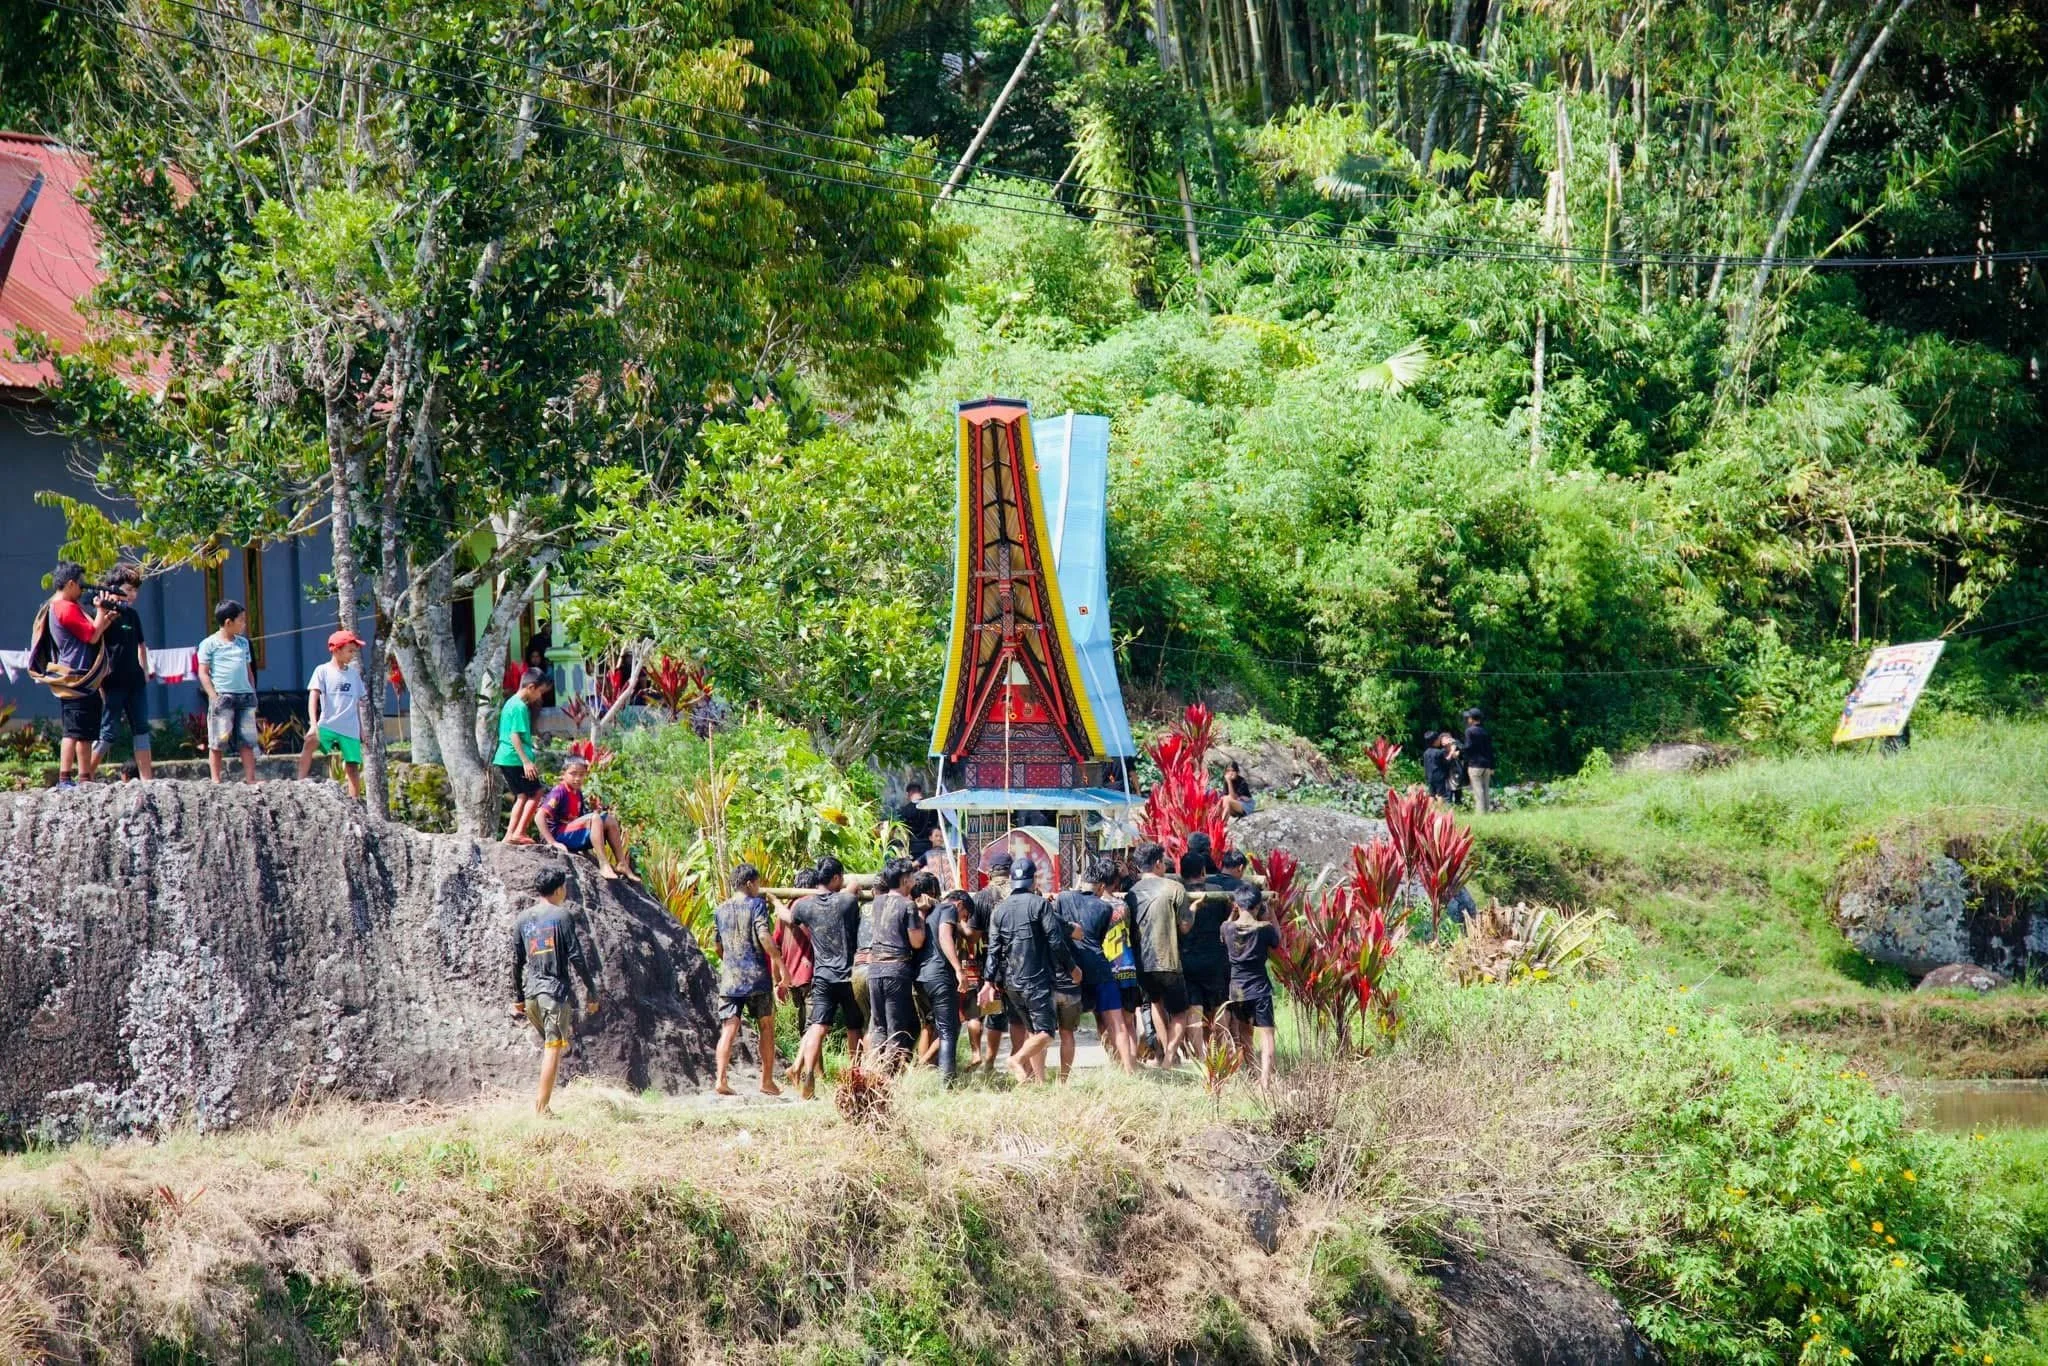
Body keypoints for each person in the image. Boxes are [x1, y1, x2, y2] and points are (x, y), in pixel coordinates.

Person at [507, 863, 601, 1117]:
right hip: (553, 992)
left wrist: (517, 998)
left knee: (557, 1044)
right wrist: (592, 991)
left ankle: (543, 1103)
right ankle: (542, 1109)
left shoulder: (522, 919)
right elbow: (576, 956)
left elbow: (516, 961)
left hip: (531, 995)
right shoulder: (562, 916)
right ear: (559, 889)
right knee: (554, 1047)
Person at [982, 855, 1078, 1083]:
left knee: (1034, 1032)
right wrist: (1072, 968)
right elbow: (1055, 941)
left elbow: (993, 949)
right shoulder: (1040, 905)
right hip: (1036, 980)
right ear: (1034, 879)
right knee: (1046, 1033)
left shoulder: (1000, 910)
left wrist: (988, 982)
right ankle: (1016, 1059)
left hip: (1011, 983)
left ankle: (1040, 1082)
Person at [784, 856, 867, 1099]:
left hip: (822, 977)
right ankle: (854, 1075)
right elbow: (853, 887)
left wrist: (775, 903)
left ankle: (808, 1072)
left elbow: (788, 918)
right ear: (835, 878)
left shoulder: (804, 906)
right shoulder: (846, 902)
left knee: (817, 1027)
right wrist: (851, 884)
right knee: (854, 1027)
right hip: (847, 977)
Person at [712, 863, 785, 1096]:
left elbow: (718, 946)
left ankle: (721, 1080)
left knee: (729, 1028)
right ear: (749, 883)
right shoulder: (757, 905)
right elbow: (764, 935)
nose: (759, 888)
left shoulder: (720, 909)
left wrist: (731, 962)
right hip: (756, 978)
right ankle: (766, 1081)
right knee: (766, 1025)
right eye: (758, 883)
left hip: (730, 979)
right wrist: (780, 964)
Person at [1058, 856, 1135, 1074]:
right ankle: (1128, 1069)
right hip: (1100, 968)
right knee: (1116, 1021)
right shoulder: (1104, 908)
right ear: (1101, 886)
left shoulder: (1063, 898)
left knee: (1067, 1028)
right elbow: (1099, 938)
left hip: (1073, 969)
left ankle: (1064, 1075)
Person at [1129, 842, 1193, 1067]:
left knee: (1155, 1004)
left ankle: (1166, 1054)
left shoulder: (1131, 893)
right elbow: (1185, 926)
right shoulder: (1174, 888)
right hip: (1169, 960)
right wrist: (1193, 911)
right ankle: (1169, 1058)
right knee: (1179, 1012)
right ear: (1158, 863)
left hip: (1142, 963)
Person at [864, 857, 927, 1069]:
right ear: (904, 880)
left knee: (878, 1025)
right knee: (896, 1028)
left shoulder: (877, 902)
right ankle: (890, 1079)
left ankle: (873, 1074)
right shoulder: (908, 905)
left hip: (874, 970)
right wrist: (923, 916)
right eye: (911, 876)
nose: (914, 880)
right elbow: (916, 942)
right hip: (896, 970)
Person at [93, 564, 152, 782]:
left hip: (135, 681)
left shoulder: (133, 615)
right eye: (128, 589)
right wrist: (99, 682)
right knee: (108, 733)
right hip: (112, 681)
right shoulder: (102, 613)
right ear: (113, 588)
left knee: (142, 729)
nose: (132, 594)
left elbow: (141, 645)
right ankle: (85, 776)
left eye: (135, 590)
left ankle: (147, 780)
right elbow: (93, 641)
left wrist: (144, 671)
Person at [536, 755, 635, 880]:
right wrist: (552, 842)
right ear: (563, 774)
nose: (577, 778)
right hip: (558, 834)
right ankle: (604, 865)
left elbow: (580, 818)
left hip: (570, 833)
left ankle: (622, 863)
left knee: (609, 819)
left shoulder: (577, 793)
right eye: (573, 774)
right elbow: (539, 817)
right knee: (595, 818)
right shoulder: (559, 791)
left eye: (581, 774)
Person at [1220, 884, 1280, 1089]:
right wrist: (1271, 911)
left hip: (1237, 989)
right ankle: (1265, 1081)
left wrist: (1232, 914)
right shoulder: (1264, 930)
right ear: (1257, 906)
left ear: (1237, 905)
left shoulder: (1226, 928)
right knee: (1267, 1034)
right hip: (1260, 988)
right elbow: (1277, 940)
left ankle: (1254, 1071)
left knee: (1245, 1032)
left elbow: (1224, 929)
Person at [296, 629, 368, 798]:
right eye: (349, 651)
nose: (352, 655)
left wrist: (362, 729)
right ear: (336, 650)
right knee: (309, 744)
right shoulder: (322, 671)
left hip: (350, 727)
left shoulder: (354, 674)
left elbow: (358, 702)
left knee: (352, 765)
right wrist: (313, 725)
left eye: (354, 651)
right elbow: (313, 697)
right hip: (328, 723)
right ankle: (299, 783)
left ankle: (355, 799)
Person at [198, 599, 260, 785]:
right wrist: (213, 696)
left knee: (247, 740)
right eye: (241, 620)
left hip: (245, 696)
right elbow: (203, 672)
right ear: (228, 622)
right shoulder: (209, 644)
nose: (244, 624)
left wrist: (253, 692)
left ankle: (251, 779)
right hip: (223, 696)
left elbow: (249, 671)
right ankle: (216, 779)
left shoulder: (243, 644)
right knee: (218, 740)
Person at [1179, 850, 1233, 1055]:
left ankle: (1200, 1056)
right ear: (1203, 872)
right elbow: (1228, 918)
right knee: (1219, 1006)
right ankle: (1223, 1053)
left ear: (1181, 873)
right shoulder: (1217, 892)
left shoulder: (1178, 895)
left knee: (1194, 1007)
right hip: (1216, 959)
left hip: (1187, 959)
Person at [918, 889, 971, 1084]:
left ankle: (924, 1069)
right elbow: (945, 937)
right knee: (949, 1030)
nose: (961, 921)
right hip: (939, 975)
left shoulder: (929, 910)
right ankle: (947, 1083)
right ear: (960, 905)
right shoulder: (949, 908)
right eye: (963, 916)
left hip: (922, 978)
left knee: (942, 1026)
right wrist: (958, 969)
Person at [494, 669, 547, 843]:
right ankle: (519, 832)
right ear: (531, 687)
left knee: (523, 795)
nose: (539, 696)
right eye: (539, 691)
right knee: (536, 793)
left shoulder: (510, 703)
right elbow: (514, 735)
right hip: (515, 758)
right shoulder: (519, 706)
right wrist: (526, 761)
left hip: (505, 757)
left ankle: (510, 834)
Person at [775, 867, 820, 1038]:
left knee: (804, 1026)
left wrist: (778, 980)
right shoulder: (814, 904)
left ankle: (804, 1061)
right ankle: (809, 1064)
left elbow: (775, 945)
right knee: (813, 1027)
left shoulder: (786, 908)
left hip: (793, 976)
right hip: (811, 974)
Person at [1461, 708, 1497, 814]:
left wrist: (1458, 746)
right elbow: (1490, 750)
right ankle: (1487, 812)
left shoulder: (1469, 731)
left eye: (1468, 718)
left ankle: (1480, 813)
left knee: (1478, 790)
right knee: (1485, 790)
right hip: (1486, 765)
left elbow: (1468, 747)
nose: (1467, 720)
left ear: (1471, 719)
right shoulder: (1485, 731)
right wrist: (1492, 766)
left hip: (1475, 765)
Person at [897, 780, 941, 857]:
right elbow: (935, 827)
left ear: (908, 794)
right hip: (929, 846)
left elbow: (902, 832)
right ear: (920, 792)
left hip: (913, 848)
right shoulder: (932, 808)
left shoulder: (904, 811)